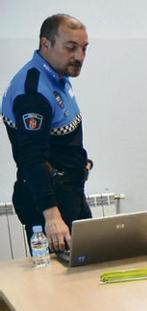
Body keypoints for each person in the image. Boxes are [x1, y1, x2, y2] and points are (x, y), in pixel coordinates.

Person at [2, 14, 91, 252]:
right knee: (60, 286)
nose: (80, 57)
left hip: (71, 192)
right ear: (45, 44)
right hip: (50, 204)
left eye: (84, 49)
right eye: (71, 48)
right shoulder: (33, 93)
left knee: (89, 273)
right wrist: (51, 217)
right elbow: (31, 158)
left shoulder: (58, 77)